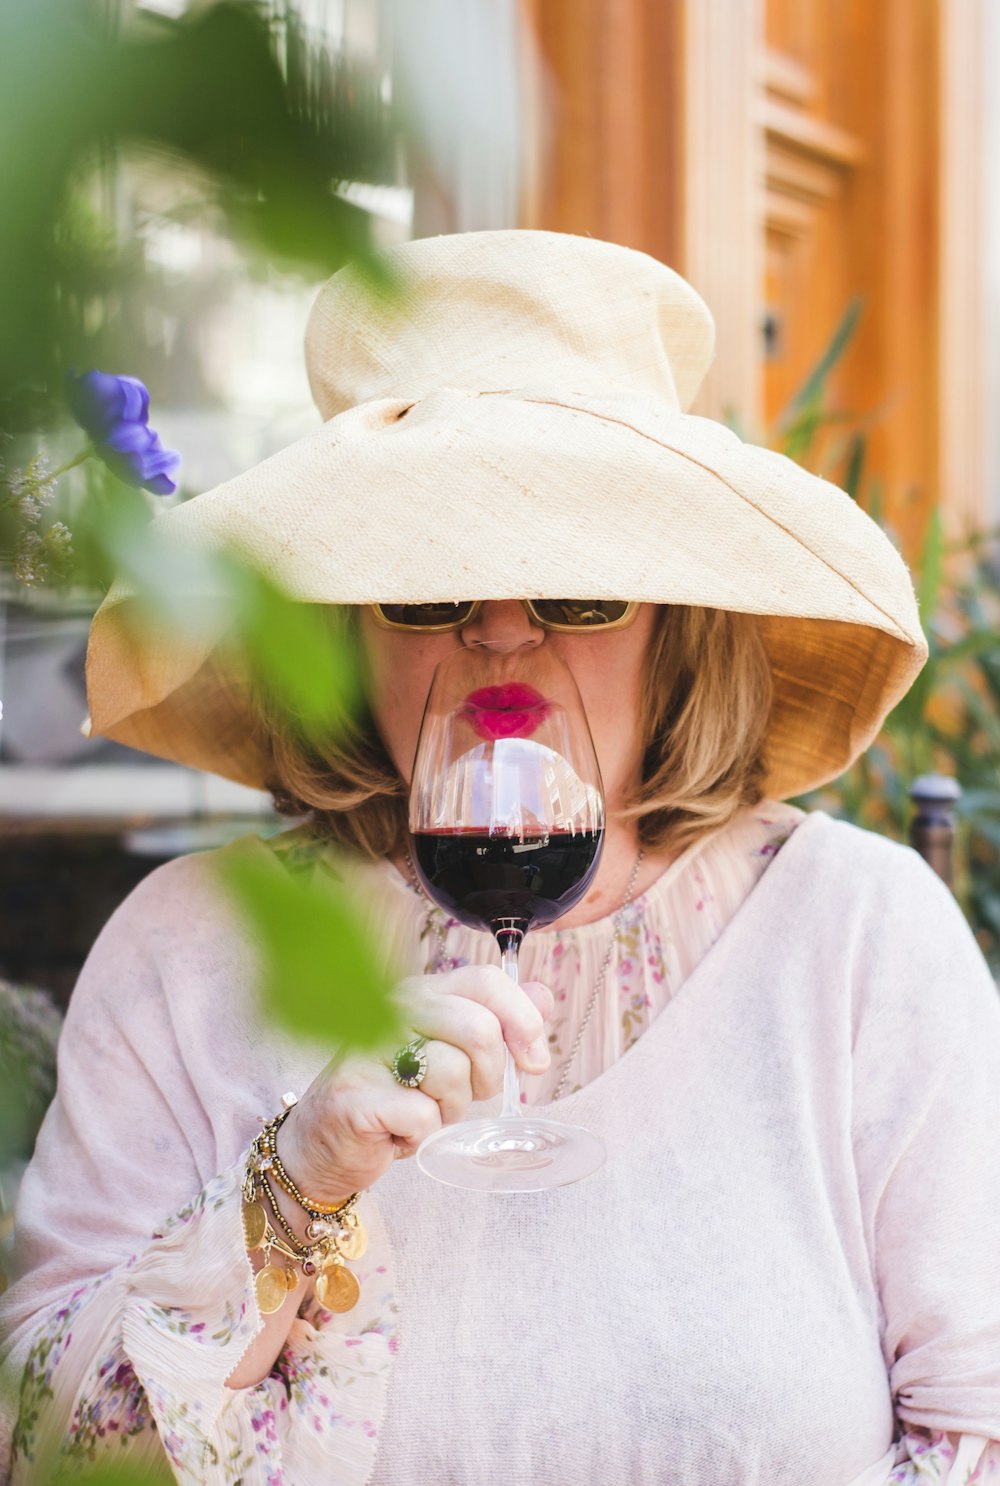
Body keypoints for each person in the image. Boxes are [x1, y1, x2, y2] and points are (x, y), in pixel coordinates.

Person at [2, 230, 999, 1485]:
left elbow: (976, 1432)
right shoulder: (191, 948)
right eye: (424, 586)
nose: (502, 634)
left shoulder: (861, 939)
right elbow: (41, 1453)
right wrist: (297, 1184)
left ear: (676, 616)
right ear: (339, 623)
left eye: (581, 588)